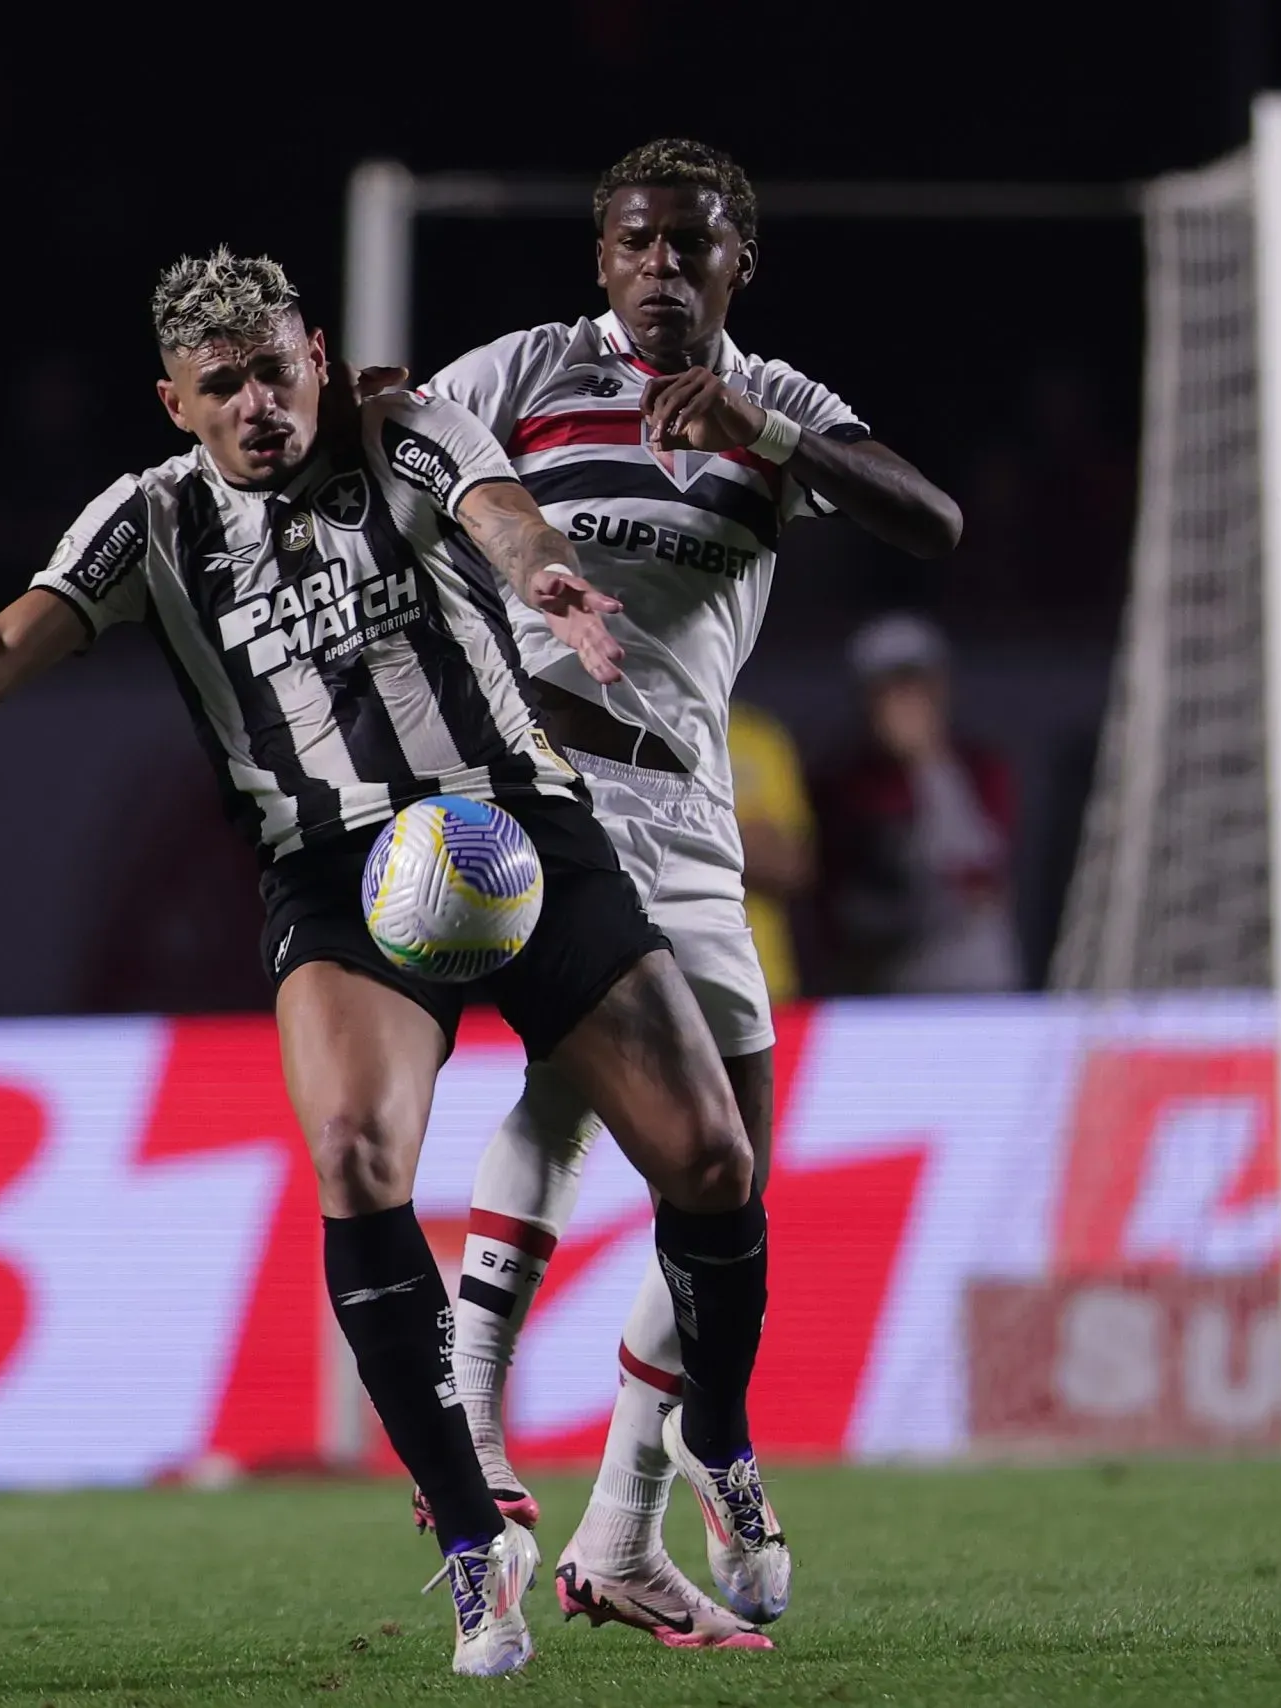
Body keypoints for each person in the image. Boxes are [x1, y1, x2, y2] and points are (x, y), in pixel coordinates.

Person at [0, 248, 782, 1680]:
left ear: (316, 355)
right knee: (356, 1153)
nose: (259, 405)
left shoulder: (401, 427)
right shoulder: (149, 519)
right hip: (341, 873)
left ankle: (715, 1431)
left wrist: (544, 573)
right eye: (222, 385)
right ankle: (470, 1538)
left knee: (714, 1160)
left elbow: (495, 510)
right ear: (175, 403)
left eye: (274, 370)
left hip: (514, 828)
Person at [374, 140, 961, 1646]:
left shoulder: (773, 402)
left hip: (690, 807)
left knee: (725, 1177)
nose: (659, 268)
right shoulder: (531, 369)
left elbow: (930, 520)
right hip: (544, 791)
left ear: (735, 264)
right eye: (635, 242)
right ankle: (483, 1427)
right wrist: (370, 414)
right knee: (579, 1090)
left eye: (689, 246)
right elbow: (401, 442)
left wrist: (771, 432)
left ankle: (626, 1522)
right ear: (602, 258)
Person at [818, 611, 1021, 993]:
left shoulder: (981, 768)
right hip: (889, 991)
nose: (906, 704)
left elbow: (984, 866)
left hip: (982, 987)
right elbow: (856, 892)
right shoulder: (844, 782)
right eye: (889, 691)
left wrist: (926, 762)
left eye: (916, 687)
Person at [726, 698, 817, 1004]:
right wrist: (742, 836)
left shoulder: (757, 736)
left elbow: (792, 863)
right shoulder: (614, 730)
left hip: (761, 982)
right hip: (652, 985)